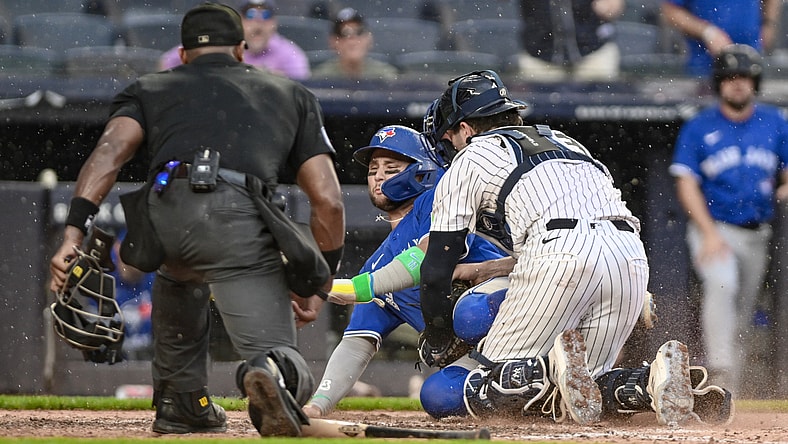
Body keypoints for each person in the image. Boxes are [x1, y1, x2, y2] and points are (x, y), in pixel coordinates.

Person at [48, 2, 345, 437]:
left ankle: (180, 403)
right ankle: (267, 369)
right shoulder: (290, 93)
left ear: (183, 54)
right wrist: (320, 279)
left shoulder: (149, 87)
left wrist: (72, 232)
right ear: (242, 50)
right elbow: (330, 200)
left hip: (163, 216)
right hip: (237, 219)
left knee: (178, 276)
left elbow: (108, 155)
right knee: (283, 366)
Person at [417, 69, 697, 426]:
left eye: (451, 135)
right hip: (630, 257)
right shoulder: (567, 142)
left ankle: (541, 372)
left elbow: (437, 266)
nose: (451, 145)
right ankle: (645, 383)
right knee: (585, 391)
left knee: (454, 392)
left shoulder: (472, 155)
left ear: (467, 128)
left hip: (559, 256)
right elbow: (589, 225)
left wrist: (438, 329)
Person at [301, 124, 511, 418]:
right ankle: (530, 391)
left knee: (470, 315)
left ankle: (546, 356)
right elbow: (356, 344)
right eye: (374, 168)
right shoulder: (376, 266)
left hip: (517, 309)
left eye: (392, 167)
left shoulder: (442, 199)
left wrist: (336, 287)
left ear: (422, 169)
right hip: (482, 357)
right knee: (438, 397)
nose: (379, 176)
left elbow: (424, 258)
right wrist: (317, 405)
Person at [669, 44, 788, 397]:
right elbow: (686, 183)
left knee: (745, 307)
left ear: (755, 83)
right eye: (731, 78)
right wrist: (708, 233)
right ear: (719, 83)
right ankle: (721, 370)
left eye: (745, 78)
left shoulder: (775, 121)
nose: (738, 85)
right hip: (715, 227)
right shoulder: (699, 126)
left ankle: (730, 390)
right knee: (722, 286)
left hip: (758, 232)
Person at [159, 0, 311, 81]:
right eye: (250, 15)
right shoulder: (219, 43)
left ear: (274, 23)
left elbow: (300, 88)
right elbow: (166, 64)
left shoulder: (290, 53)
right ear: (239, 21)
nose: (258, 23)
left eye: (265, 15)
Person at [661, 0, 782, 77]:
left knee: (748, 111)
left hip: (751, 60)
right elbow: (670, 12)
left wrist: (768, 24)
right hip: (705, 66)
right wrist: (707, 32)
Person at [517, 0, 625, 82]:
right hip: (539, 57)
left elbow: (613, 4)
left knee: (601, 107)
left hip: (594, 53)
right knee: (538, 108)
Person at [310, 7, 399, 81]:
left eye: (359, 32)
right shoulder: (320, 79)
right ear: (333, 42)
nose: (352, 40)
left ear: (369, 39)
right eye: (343, 33)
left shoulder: (386, 76)